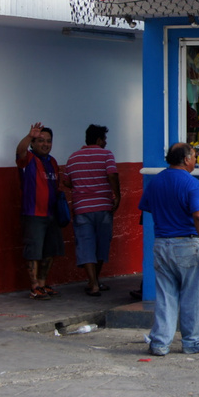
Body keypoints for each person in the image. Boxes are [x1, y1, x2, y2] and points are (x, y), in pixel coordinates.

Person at [138, 142, 199, 355]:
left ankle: (159, 343)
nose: (196, 160)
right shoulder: (191, 184)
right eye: (194, 156)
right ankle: (193, 341)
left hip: (161, 243)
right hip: (187, 244)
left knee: (165, 295)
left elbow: (146, 209)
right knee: (194, 295)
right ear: (186, 159)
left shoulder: (156, 182)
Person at [63, 124, 121, 297]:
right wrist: (117, 195)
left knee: (86, 244)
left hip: (81, 208)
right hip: (103, 206)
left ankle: (93, 283)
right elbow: (112, 174)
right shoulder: (106, 155)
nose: (105, 143)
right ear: (98, 139)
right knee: (102, 244)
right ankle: (95, 280)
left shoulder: (73, 158)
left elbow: (67, 181)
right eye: (104, 140)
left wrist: (82, 186)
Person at [16, 122, 65, 300]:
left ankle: (43, 284)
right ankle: (34, 287)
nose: (45, 144)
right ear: (33, 143)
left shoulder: (52, 162)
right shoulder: (27, 159)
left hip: (51, 214)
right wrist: (29, 135)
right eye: (41, 140)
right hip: (33, 214)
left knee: (50, 251)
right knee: (34, 252)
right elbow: (19, 151)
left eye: (49, 141)